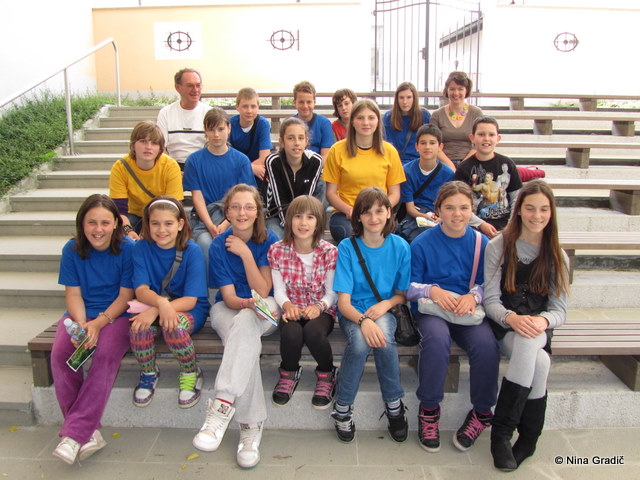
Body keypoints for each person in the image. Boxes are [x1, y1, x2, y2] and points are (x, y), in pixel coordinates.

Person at [407, 181, 499, 454]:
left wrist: (474, 296)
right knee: (436, 341)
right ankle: (429, 410)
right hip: (433, 310)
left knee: (486, 345)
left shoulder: (482, 243)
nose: (457, 214)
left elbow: (490, 282)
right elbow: (407, 286)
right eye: (449, 208)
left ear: (472, 210)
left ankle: (482, 412)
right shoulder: (422, 242)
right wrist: (432, 290)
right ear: (438, 210)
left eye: (463, 208)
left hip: (466, 310)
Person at [483, 180, 569, 471]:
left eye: (544, 209)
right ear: (518, 210)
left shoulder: (557, 255)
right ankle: (528, 438)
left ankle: (501, 434)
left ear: (551, 213)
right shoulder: (498, 246)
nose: (537, 215)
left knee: (531, 341)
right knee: (540, 363)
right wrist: (512, 318)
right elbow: (490, 300)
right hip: (505, 325)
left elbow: (559, 311)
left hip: (538, 328)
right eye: (530, 208)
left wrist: (541, 320)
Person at [193, 184, 279, 469]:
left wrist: (245, 254)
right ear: (227, 212)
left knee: (246, 324)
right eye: (236, 207)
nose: (242, 213)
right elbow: (229, 298)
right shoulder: (218, 244)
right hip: (228, 308)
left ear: (258, 212)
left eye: (249, 207)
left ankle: (222, 406)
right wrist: (246, 305)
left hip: (265, 307)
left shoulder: (269, 239)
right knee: (244, 332)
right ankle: (251, 427)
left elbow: (263, 290)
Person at [51, 194, 134, 464]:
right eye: (91, 222)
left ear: (116, 224)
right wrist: (82, 324)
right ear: (82, 223)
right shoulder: (72, 249)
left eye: (105, 223)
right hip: (81, 316)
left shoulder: (128, 249)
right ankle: (87, 433)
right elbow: (73, 293)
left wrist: (99, 323)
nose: (98, 229)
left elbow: (125, 296)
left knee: (105, 354)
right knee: (60, 354)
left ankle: (74, 434)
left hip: (116, 315)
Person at [331, 187, 410, 444]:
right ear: (358, 217)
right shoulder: (347, 247)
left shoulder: (400, 246)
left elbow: (401, 295)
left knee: (383, 339)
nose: (374, 218)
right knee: (360, 343)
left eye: (379, 211)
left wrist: (385, 305)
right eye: (367, 212)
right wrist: (364, 321)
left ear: (389, 213)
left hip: (383, 308)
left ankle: (394, 404)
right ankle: (342, 407)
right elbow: (343, 303)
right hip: (354, 311)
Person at [129, 196, 209, 409]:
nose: (161, 229)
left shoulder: (192, 250)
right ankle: (148, 372)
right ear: (148, 224)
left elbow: (191, 300)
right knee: (139, 329)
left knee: (173, 326)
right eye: (155, 223)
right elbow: (141, 289)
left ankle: (190, 372)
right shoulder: (141, 248)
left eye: (168, 223)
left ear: (180, 224)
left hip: (188, 308)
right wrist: (159, 305)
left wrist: (159, 309)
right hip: (153, 305)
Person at [268, 196, 338, 409]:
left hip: (321, 309)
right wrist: (287, 305)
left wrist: (319, 307)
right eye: (298, 216)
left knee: (313, 332)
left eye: (310, 217)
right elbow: (279, 290)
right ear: (289, 220)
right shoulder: (277, 250)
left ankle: (327, 373)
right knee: (291, 332)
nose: (303, 223)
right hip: (292, 307)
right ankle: (289, 373)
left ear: (319, 222)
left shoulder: (329, 252)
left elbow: (332, 293)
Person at [324, 99, 406, 242]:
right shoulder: (337, 150)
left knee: (382, 235)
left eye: (371, 118)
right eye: (360, 118)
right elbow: (331, 193)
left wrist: (379, 211)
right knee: (354, 236)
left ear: (378, 121)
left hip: (378, 213)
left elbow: (395, 193)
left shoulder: (390, 151)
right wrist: (350, 210)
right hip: (347, 215)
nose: (366, 122)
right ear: (352, 121)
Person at [183, 107, 256, 263]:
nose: (216, 134)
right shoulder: (194, 161)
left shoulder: (241, 160)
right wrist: (210, 225)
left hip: (236, 217)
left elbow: (246, 197)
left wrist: (225, 224)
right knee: (205, 244)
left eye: (221, 129)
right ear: (205, 131)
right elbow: (197, 197)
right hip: (204, 219)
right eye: (211, 129)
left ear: (229, 128)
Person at [109, 120, 184, 238]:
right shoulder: (120, 167)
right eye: (143, 141)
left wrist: (148, 231)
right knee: (117, 234)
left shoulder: (170, 166)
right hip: (132, 214)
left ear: (160, 148)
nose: (148, 147)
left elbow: (172, 207)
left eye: (154, 143)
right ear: (133, 144)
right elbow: (119, 209)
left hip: (161, 215)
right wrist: (128, 231)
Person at [454, 115, 523, 238]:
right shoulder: (464, 168)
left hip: (506, 224)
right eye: (481, 134)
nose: (486, 139)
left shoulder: (507, 164)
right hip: (475, 226)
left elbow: (516, 198)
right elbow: (459, 203)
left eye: (491, 135)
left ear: (498, 138)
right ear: (472, 138)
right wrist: (481, 224)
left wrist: (511, 224)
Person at [265, 117, 324, 238]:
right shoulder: (273, 161)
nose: (296, 143)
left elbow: (308, 198)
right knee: (277, 238)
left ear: (306, 141)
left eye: (301, 138)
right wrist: (291, 227)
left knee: (313, 240)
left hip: (305, 216)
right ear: (282, 142)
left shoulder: (315, 161)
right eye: (291, 138)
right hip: (278, 215)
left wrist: (302, 225)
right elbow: (279, 199)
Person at [397, 123, 455, 243]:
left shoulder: (448, 174)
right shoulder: (407, 171)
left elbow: (449, 203)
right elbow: (410, 208)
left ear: (440, 147)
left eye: (432, 143)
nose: (427, 147)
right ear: (416, 146)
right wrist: (425, 217)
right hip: (415, 216)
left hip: (439, 215)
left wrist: (440, 218)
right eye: (423, 143)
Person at [157, 68, 211, 170]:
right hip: (173, 166)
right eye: (190, 85)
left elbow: (213, 146)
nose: (195, 90)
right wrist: (173, 170)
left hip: (202, 165)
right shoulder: (165, 113)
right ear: (178, 87)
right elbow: (161, 148)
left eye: (198, 85)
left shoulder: (209, 113)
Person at [429, 71, 483, 169]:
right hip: (443, 163)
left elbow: (479, 144)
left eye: (460, 89)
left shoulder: (476, 113)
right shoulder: (437, 115)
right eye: (452, 89)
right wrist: (451, 167)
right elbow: (433, 144)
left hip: (470, 162)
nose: (456, 93)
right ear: (447, 90)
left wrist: (463, 166)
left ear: (466, 90)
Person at [229, 87, 274, 196]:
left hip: (256, 169)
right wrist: (250, 168)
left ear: (258, 107)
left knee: (264, 173)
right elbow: (227, 158)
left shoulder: (263, 124)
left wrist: (247, 168)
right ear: (237, 107)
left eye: (253, 106)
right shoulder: (230, 124)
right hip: (236, 170)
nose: (249, 111)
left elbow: (264, 157)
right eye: (245, 106)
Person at [382, 82, 431, 164]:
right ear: (397, 99)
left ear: (414, 98)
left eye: (409, 97)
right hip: (395, 162)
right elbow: (385, 144)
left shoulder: (424, 116)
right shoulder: (388, 117)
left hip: (418, 163)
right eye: (401, 98)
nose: (405, 102)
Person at [293, 81, 334, 159]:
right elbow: (285, 152)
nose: (305, 106)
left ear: (314, 102)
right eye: (301, 102)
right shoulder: (289, 124)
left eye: (309, 102)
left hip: (318, 164)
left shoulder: (324, 123)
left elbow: (325, 156)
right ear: (294, 102)